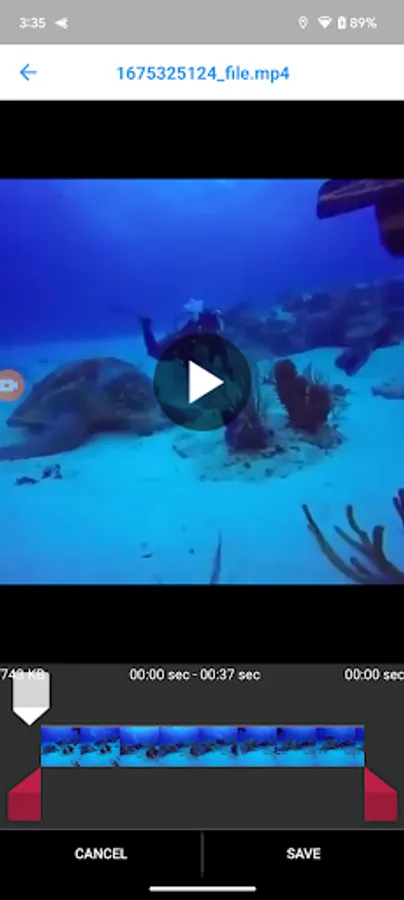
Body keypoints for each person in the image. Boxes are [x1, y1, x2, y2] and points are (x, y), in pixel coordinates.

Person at [139, 301, 234, 378]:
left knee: (155, 351)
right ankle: (146, 324)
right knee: (155, 351)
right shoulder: (204, 337)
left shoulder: (199, 333)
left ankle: (146, 324)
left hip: (183, 343)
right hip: (183, 345)